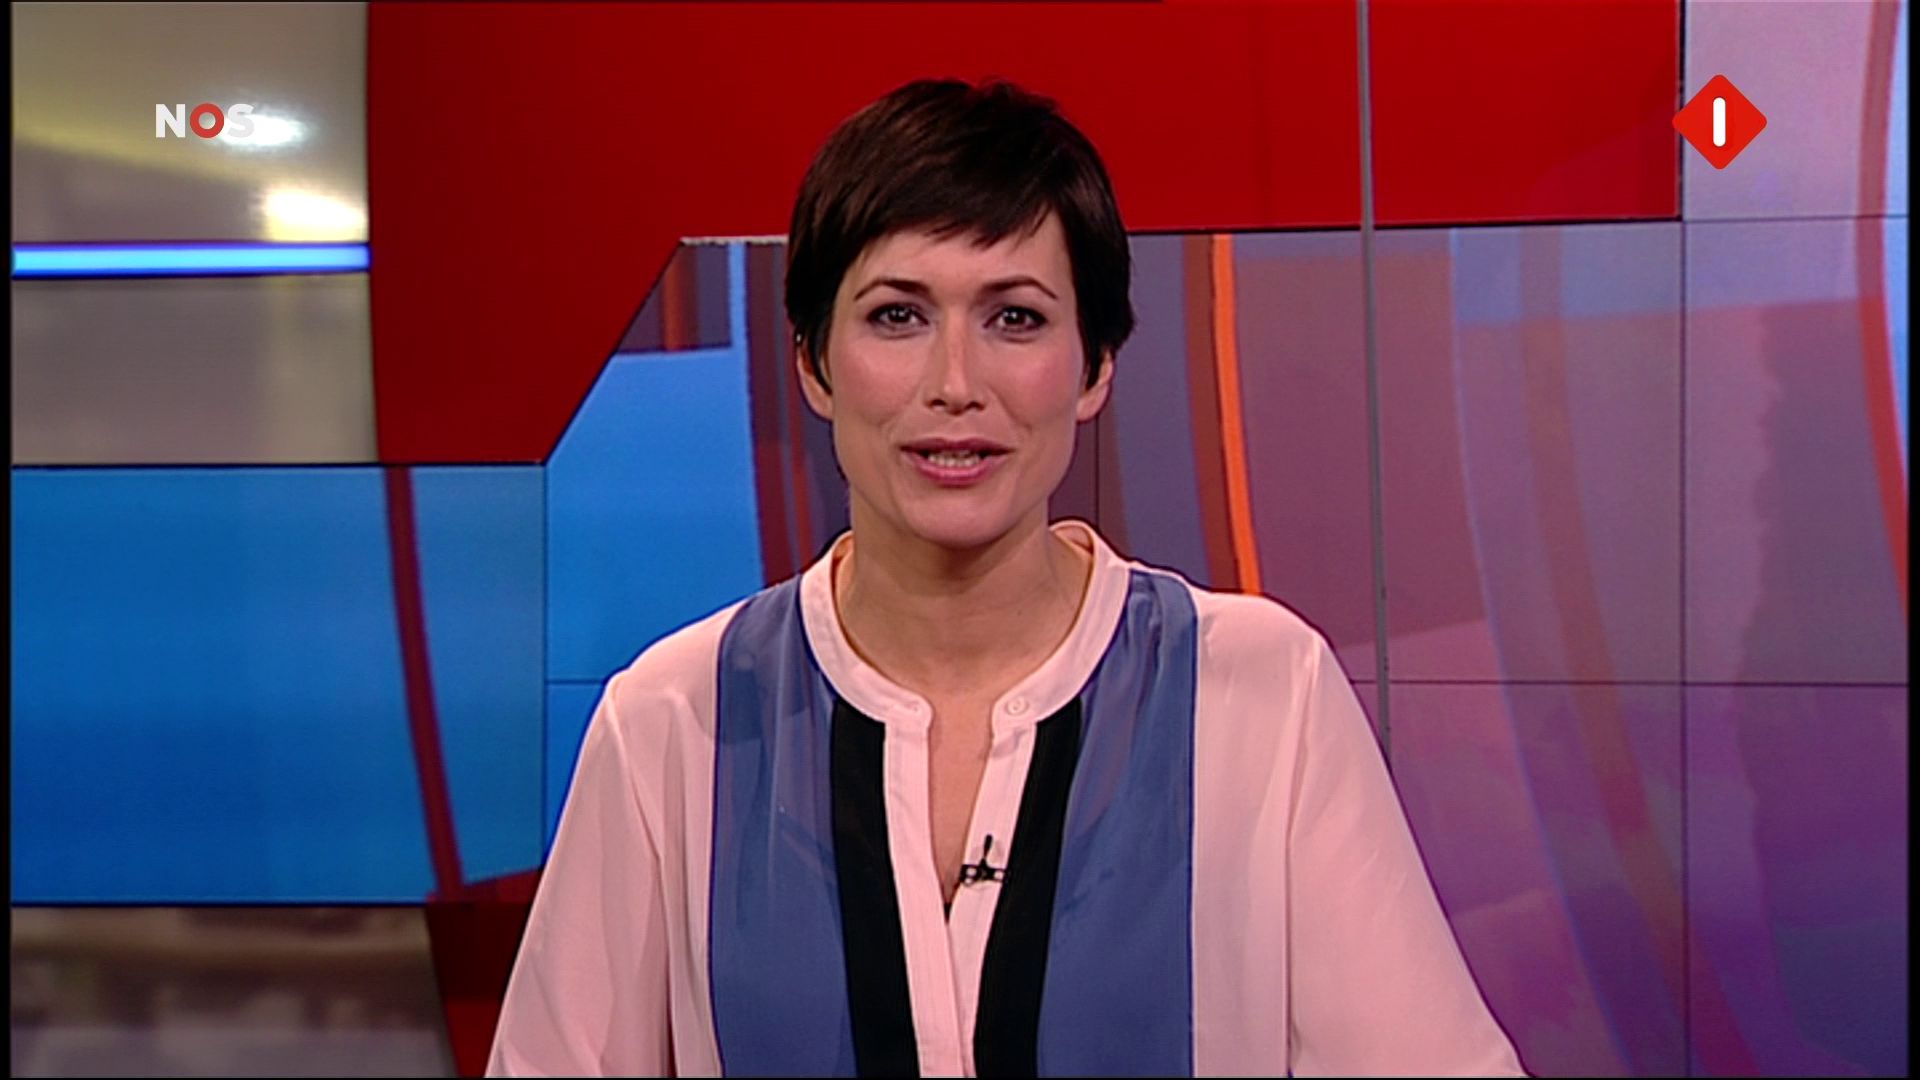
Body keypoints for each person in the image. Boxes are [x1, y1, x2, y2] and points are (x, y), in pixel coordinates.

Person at [488, 78, 1525, 1078]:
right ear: (812, 362)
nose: (956, 384)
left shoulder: (1259, 690)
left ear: (1095, 365)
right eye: (897, 316)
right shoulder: (677, 720)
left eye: (1015, 318)